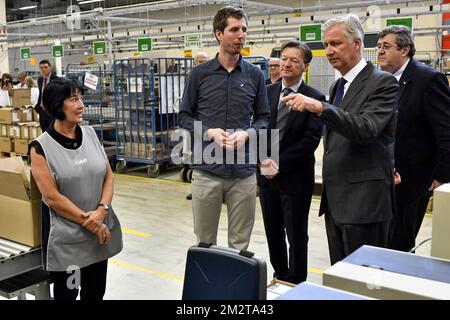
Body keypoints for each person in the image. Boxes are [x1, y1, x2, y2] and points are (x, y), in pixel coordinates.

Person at [283, 14, 398, 265]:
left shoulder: (382, 82)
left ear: (357, 43)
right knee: (341, 278)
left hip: (365, 203)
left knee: (364, 280)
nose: (329, 51)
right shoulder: (339, 86)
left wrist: (322, 108)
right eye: (325, 45)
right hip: (336, 202)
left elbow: (367, 128)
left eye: (335, 44)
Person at [178, 6, 270, 250]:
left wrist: (247, 134)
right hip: (207, 172)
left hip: (244, 173)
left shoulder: (255, 75)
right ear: (219, 34)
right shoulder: (199, 75)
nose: (241, 35)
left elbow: (264, 118)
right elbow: (184, 116)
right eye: (234, 29)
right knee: (205, 242)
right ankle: (210, 288)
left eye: (244, 30)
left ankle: (235, 288)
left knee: (240, 244)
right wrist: (208, 132)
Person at [30, 78, 123, 300]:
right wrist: (90, 222)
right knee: (67, 295)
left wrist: (102, 210)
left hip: (98, 234)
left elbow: (108, 177)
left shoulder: (90, 134)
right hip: (69, 242)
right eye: (74, 99)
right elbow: (52, 198)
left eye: (80, 98)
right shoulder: (40, 148)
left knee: (95, 294)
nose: (81, 105)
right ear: (56, 105)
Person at [377, 25, 450, 252]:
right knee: (381, 241)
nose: (379, 51)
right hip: (383, 176)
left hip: (413, 179)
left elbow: (445, 132)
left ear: (405, 50)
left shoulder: (428, 80)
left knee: (399, 242)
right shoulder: (382, 80)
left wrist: (440, 176)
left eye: (386, 46)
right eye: (379, 46)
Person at [257, 41, 325, 284]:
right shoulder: (267, 92)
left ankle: (296, 280)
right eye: (284, 58)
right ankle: (280, 274)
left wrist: (278, 165)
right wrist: (265, 164)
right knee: (273, 231)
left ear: (305, 66)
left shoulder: (315, 98)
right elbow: (259, 130)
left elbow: (310, 141)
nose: (286, 64)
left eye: (293, 60)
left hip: (295, 178)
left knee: (296, 234)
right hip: (267, 178)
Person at [34, 59, 59, 132]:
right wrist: (38, 107)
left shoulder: (56, 80)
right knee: (44, 132)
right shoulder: (40, 80)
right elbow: (41, 93)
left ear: (50, 68)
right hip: (42, 110)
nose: (43, 69)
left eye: (45, 67)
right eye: (41, 68)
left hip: (52, 111)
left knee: (54, 131)